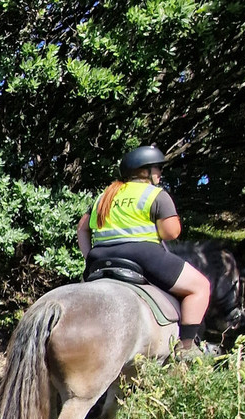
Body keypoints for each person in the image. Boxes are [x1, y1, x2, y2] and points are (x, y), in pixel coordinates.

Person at [76, 145, 211, 353]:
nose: (160, 172)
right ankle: (186, 348)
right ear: (144, 171)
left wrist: (90, 257)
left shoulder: (104, 196)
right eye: (157, 168)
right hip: (144, 256)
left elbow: (82, 229)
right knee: (200, 287)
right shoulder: (155, 194)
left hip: (100, 258)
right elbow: (171, 233)